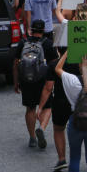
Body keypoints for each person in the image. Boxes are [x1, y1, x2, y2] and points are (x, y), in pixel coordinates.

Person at [13, 20, 53, 148]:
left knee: (30, 108)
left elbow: (15, 64)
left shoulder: (23, 43)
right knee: (47, 106)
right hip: (43, 80)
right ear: (43, 30)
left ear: (31, 30)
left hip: (26, 80)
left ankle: (32, 137)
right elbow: (53, 65)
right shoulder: (47, 44)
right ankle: (41, 127)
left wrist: (16, 82)